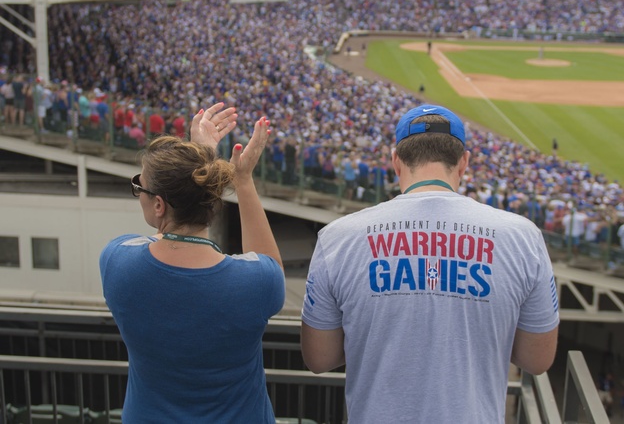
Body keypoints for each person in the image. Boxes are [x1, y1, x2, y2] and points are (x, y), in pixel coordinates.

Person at [300, 104, 559, 423]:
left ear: (396, 161)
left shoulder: (337, 237)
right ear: (464, 162)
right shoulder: (524, 237)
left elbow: (318, 358)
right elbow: (537, 359)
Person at [100, 104, 284, 422]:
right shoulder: (255, 283)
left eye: (139, 186)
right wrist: (242, 179)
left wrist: (201, 159)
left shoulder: (118, 262)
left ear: (158, 205)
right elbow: (268, 263)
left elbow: (160, 245)